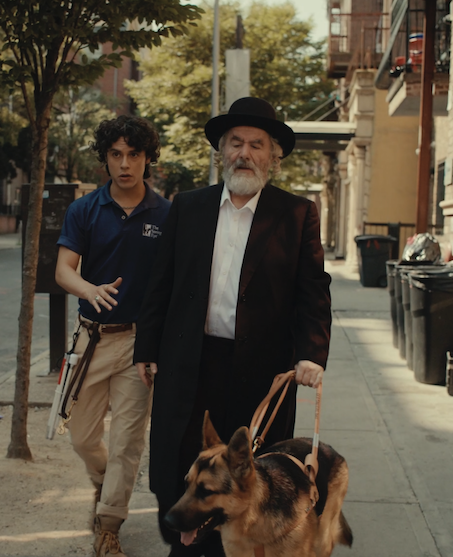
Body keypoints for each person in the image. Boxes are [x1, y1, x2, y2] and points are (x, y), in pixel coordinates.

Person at [133, 97, 333, 557]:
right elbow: (159, 283)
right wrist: (147, 345)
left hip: (261, 373)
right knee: (179, 469)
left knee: (252, 476)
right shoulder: (187, 207)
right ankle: (185, 547)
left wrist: (311, 354)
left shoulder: (296, 214)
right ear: (222, 151)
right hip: (189, 363)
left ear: (273, 157)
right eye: (236, 143)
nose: (246, 153)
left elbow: (313, 293)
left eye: (257, 145)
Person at [55, 115, 170, 557]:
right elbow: (64, 270)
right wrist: (89, 289)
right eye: (116, 155)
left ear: (147, 159)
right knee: (82, 437)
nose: (125, 164)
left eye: (134, 155)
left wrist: (159, 346)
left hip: (139, 345)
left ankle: (108, 526)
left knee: (127, 443)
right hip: (90, 340)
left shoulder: (165, 213)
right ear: (105, 158)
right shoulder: (84, 209)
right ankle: (104, 484)